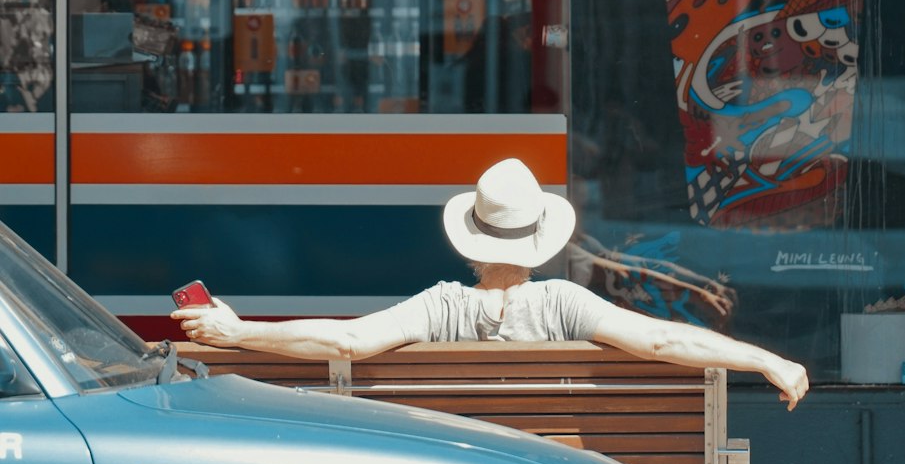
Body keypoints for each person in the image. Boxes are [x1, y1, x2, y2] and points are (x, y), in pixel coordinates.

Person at [172, 156, 809, 409]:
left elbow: (345, 342)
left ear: (472, 238)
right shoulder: (564, 303)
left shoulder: (441, 307)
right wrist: (765, 359)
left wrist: (237, 330)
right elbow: (668, 345)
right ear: (540, 239)